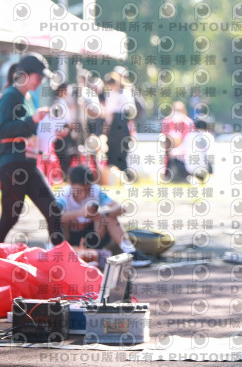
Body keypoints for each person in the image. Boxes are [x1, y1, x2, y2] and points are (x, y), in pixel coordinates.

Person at [0, 53, 64, 245]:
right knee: (10, 217)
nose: (41, 81)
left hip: (27, 163)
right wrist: (32, 120)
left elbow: (27, 129)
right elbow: (3, 129)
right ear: (25, 74)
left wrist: (50, 131)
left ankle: (61, 256)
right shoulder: (11, 95)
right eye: (39, 76)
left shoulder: (27, 97)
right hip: (12, 166)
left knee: (53, 209)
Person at [56, 165, 152, 267]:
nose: (83, 194)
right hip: (71, 237)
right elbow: (54, 217)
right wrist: (80, 213)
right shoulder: (63, 195)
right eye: (79, 190)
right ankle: (59, 251)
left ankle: (131, 252)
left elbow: (121, 208)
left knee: (109, 215)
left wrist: (103, 213)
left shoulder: (95, 191)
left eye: (87, 190)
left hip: (94, 236)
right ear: (70, 183)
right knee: (61, 221)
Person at [103, 71, 135, 174]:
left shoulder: (125, 93)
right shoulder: (110, 94)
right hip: (113, 126)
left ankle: (123, 172)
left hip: (122, 123)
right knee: (111, 150)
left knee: (121, 150)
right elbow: (109, 112)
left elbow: (129, 110)